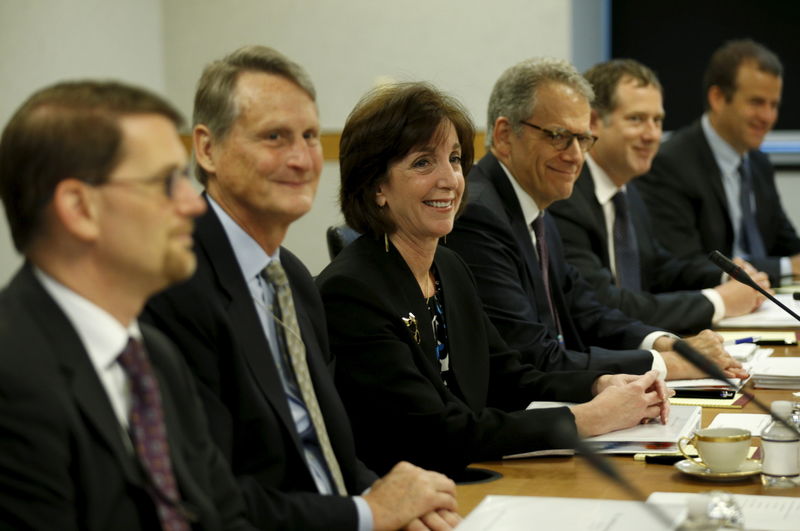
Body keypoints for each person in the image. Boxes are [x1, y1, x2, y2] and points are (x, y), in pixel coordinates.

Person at [143, 46, 459, 531]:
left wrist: (387, 497)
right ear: (206, 149)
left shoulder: (291, 277)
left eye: (310, 136)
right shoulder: (172, 284)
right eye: (274, 137)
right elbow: (208, 493)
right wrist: (368, 512)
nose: (301, 158)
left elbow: (327, 448)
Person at [316, 81, 671, 480]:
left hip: (473, 472)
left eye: (453, 159)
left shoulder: (448, 267)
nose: (449, 178)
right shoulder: (352, 292)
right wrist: (584, 419)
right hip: (419, 497)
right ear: (376, 187)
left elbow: (510, 378)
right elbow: (435, 432)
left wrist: (599, 385)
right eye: (422, 163)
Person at [0, 81, 253, 530]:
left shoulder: (154, 356)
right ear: (80, 208)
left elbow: (225, 514)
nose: (191, 205)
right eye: (164, 182)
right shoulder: (11, 374)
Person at [445, 57, 745, 380]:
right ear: (504, 135)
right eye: (558, 136)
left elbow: (586, 311)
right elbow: (532, 357)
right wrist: (666, 365)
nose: (575, 156)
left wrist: (667, 344)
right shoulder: (479, 215)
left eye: (583, 138)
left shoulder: (535, 204)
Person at [548, 59, 768, 335]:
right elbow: (606, 305)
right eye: (636, 119)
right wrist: (718, 302)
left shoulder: (629, 190)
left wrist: (728, 275)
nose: (652, 135)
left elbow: (660, 269)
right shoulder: (566, 195)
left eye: (658, 120)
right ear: (593, 122)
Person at [638, 39, 800, 286]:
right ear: (718, 98)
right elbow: (685, 264)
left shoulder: (758, 163)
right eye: (756, 102)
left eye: (774, 105)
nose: (767, 117)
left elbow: (786, 242)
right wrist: (787, 267)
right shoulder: (670, 163)